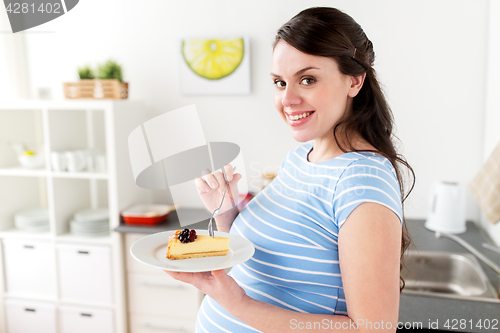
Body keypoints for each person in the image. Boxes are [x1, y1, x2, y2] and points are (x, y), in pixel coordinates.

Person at [166, 7, 415, 333]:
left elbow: (373, 329)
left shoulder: (362, 181)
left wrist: (236, 304)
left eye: (307, 79)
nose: (288, 98)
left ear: (354, 81)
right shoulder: (301, 157)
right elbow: (265, 261)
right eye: (280, 82)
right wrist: (227, 212)